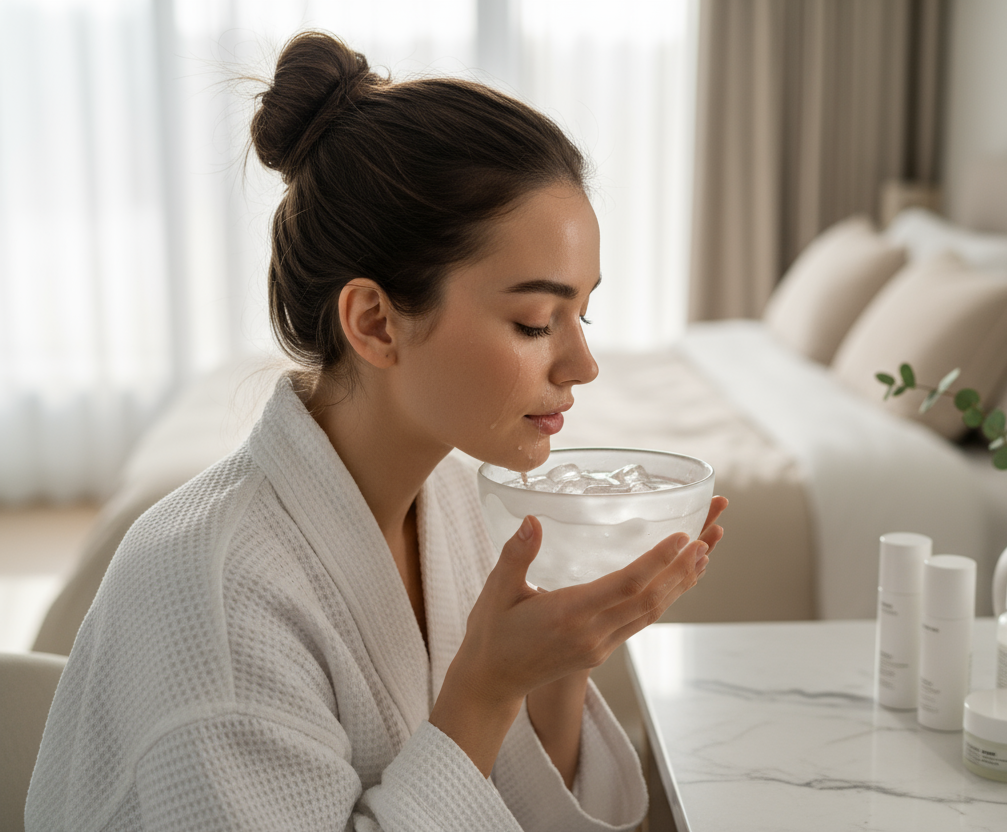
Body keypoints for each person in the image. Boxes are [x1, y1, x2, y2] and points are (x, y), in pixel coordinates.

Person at [26, 30, 726, 831]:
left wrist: (566, 656)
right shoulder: (213, 593)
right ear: (375, 322)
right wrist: (489, 686)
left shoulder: (462, 506)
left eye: (583, 312)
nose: (583, 364)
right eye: (536, 322)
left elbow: (530, 804)